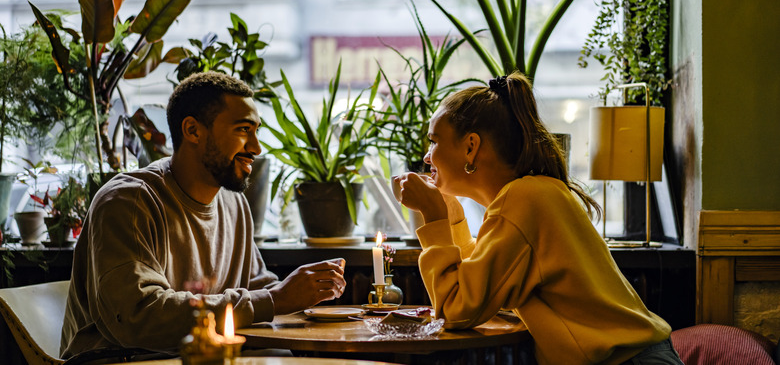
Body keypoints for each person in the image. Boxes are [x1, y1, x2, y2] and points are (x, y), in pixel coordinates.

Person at [393, 73, 684, 365]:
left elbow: (457, 310)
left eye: (433, 142)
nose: (427, 157)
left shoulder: (523, 199)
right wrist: (453, 216)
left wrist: (433, 217)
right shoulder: (534, 192)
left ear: (471, 147)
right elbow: (483, 288)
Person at [61, 72, 346, 361]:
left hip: (205, 356)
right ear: (193, 131)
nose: (256, 148)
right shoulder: (128, 201)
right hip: (125, 359)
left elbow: (258, 290)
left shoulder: (234, 203)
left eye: (256, 131)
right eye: (243, 130)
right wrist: (275, 299)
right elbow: (138, 317)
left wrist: (306, 295)